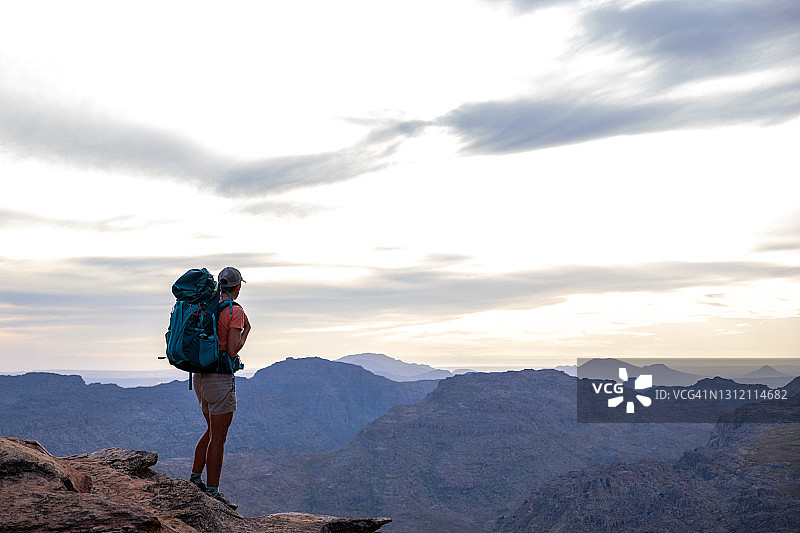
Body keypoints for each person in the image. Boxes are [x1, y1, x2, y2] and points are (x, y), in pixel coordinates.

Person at [189, 266, 251, 510]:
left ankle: (195, 479)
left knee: (210, 430)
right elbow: (233, 349)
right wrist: (247, 331)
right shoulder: (235, 311)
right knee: (219, 438)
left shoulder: (206, 305)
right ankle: (213, 493)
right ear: (237, 287)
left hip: (200, 379)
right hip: (220, 379)